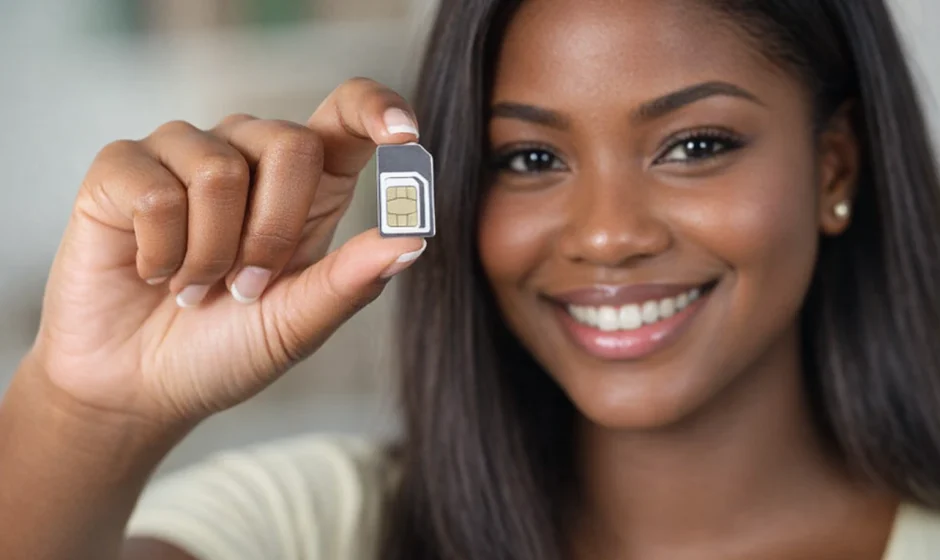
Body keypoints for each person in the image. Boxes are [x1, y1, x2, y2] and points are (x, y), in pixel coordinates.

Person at [4, 0, 940, 558]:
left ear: (834, 168)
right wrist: (89, 411)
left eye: (696, 145)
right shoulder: (317, 525)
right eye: (528, 159)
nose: (609, 236)